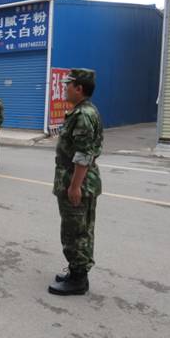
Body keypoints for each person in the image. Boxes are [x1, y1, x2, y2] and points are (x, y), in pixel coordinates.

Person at [48, 69, 103, 296]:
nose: (65, 88)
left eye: (68, 84)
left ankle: (79, 280)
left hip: (77, 182)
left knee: (77, 232)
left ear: (79, 88)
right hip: (74, 180)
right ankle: (75, 271)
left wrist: (74, 186)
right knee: (74, 229)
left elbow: (83, 154)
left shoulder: (83, 114)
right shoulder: (81, 111)